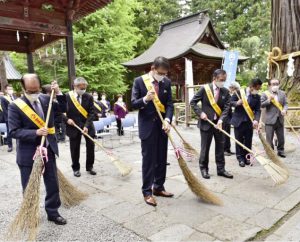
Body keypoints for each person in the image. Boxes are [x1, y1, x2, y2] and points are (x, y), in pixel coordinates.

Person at [8, 74, 67, 225]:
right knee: (30, 186)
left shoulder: (46, 99)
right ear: (23, 88)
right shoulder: (15, 106)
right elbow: (14, 131)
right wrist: (35, 132)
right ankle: (30, 215)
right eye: (30, 90)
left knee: (52, 183)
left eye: (36, 90)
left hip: (48, 149)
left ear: (40, 87)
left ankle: (53, 212)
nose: (33, 93)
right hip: (29, 154)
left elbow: (63, 109)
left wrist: (59, 93)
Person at [131, 56, 174, 207]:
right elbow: (133, 104)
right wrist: (146, 99)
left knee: (162, 159)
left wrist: (168, 120)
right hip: (147, 127)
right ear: (153, 69)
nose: (162, 76)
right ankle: (147, 192)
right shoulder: (139, 81)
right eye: (160, 73)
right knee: (149, 160)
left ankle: (159, 187)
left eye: (165, 74)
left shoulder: (166, 82)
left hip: (162, 126)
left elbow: (169, 104)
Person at [190, 69, 233, 180]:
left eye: (224, 80)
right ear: (214, 78)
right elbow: (193, 102)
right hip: (206, 123)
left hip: (219, 124)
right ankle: (204, 169)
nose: (222, 82)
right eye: (221, 80)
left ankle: (221, 169)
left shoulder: (225, 91)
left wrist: (221, 120)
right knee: (205, 148)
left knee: (220, 147)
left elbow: (227, 107)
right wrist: (200, 113)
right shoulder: (205, 89)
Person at [64, 77, 96, 177]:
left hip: (88, 125)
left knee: (91, 146)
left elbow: (91, 113)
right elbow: (60, 112)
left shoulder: (89, 97)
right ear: (75, 86)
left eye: (84, 88)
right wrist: (67, 120)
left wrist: (86, 126)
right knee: (74, 148)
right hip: (73, 126)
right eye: (81, 88)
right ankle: (76, 168)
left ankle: (89, 166)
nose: (83, 90)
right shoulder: (67, 96)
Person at [230, 78, 262, 167]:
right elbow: (230, 102)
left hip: (249, 122)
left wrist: (256, 120)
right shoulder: (239, 92)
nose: (258, 90)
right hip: (238, 121)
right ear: (252, 87)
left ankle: (247, 157)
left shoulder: (257, 97)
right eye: (257, 88)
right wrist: (237, 103)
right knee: (239, 140)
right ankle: (240, 158)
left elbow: (258, 110)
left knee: (248, 140)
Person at [261, 78, 288, 158]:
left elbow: (286, 104)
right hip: (269, 120)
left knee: (281, 137)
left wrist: (284, 110)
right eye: (273, 84)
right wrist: (269, 100)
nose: (275, 85)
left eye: (277, 84)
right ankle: (270, 152)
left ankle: (281, 151)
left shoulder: (282, 93)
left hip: (280, 119)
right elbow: (262, 104)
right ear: (269, 85)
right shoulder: (265, 94)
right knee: (269, 138)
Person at [223, 81, 240, 156]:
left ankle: (228, 149)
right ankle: (224, 150)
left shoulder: (231, 93)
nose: (235, 90)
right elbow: (228, 103)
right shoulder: (225, 93)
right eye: (235, 89)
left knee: (228, 133)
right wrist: (236, 103)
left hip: (229, 115)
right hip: (224, 115)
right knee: (224, 133)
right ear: (232, 88)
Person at [1, 84, 17, 152]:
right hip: (9, 118)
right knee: (9, 132)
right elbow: (4, 109)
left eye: (11, 89)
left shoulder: (15, 97)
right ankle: (10, 146)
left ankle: (18, 144)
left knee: (18, 131)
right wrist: (8, 118)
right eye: (9, 89)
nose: (10, 90)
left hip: (17, 118)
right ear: (5, 90)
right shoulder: (3, 98)